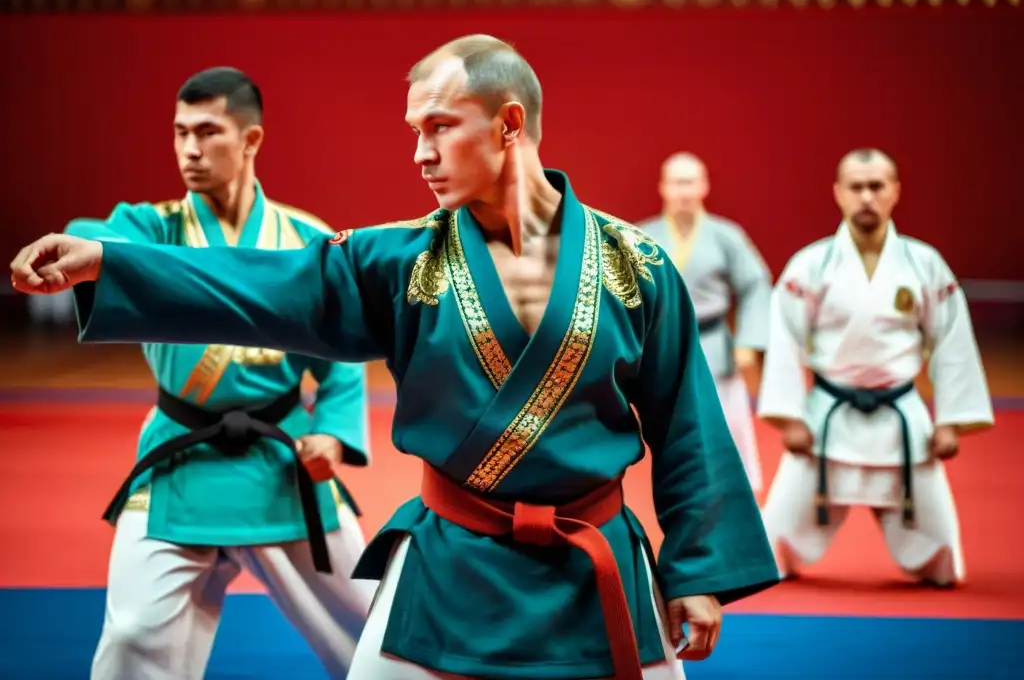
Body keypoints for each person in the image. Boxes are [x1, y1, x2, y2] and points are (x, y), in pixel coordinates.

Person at [11, 37, 780, 680]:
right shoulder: (402, 263)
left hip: (596, 563)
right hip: (450, 560)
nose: (419, 154)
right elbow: (263, 282)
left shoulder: (635, 265)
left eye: (440, 127)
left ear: (510, 124)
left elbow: (689, 425)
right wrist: (112, 263)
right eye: (414, 131)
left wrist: (698, 572)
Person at [60, 67, 376, 679]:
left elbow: (339, 358)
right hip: (182, 460)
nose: (189, 150)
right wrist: (69, 247)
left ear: (251, 140)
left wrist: (333, 435)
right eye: (179, 133)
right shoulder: (153, 232)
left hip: (282, 463)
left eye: (207, 132)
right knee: (130, 636)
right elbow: (95, 239)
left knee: (376, 625)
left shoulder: (302, 238)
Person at [755, 148, 994, 587]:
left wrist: (951, 423)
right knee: (771, 549)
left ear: (895, 192)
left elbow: (951, 341)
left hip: (901, 415)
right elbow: (785, 338)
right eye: (856, 187)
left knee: (942, 562)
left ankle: (931, 563)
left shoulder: (924, 263)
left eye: (877, 186)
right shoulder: (811, 264)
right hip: (828, 414)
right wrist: (789, 417)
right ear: (838, 194)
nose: (867, 196)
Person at [636, 152, 772, 492]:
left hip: (714, 344)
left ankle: (742, 496)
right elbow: (624, 294)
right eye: (676, 183)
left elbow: (755, 284)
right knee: (671, 431)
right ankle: (683, 494)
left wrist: (749, 343)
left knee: (730, 427)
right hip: (663, 347)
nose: (683, 191)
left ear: (704, 186)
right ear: (663, 187)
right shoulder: (640, 236)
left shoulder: (725, 235)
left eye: (690, 182)